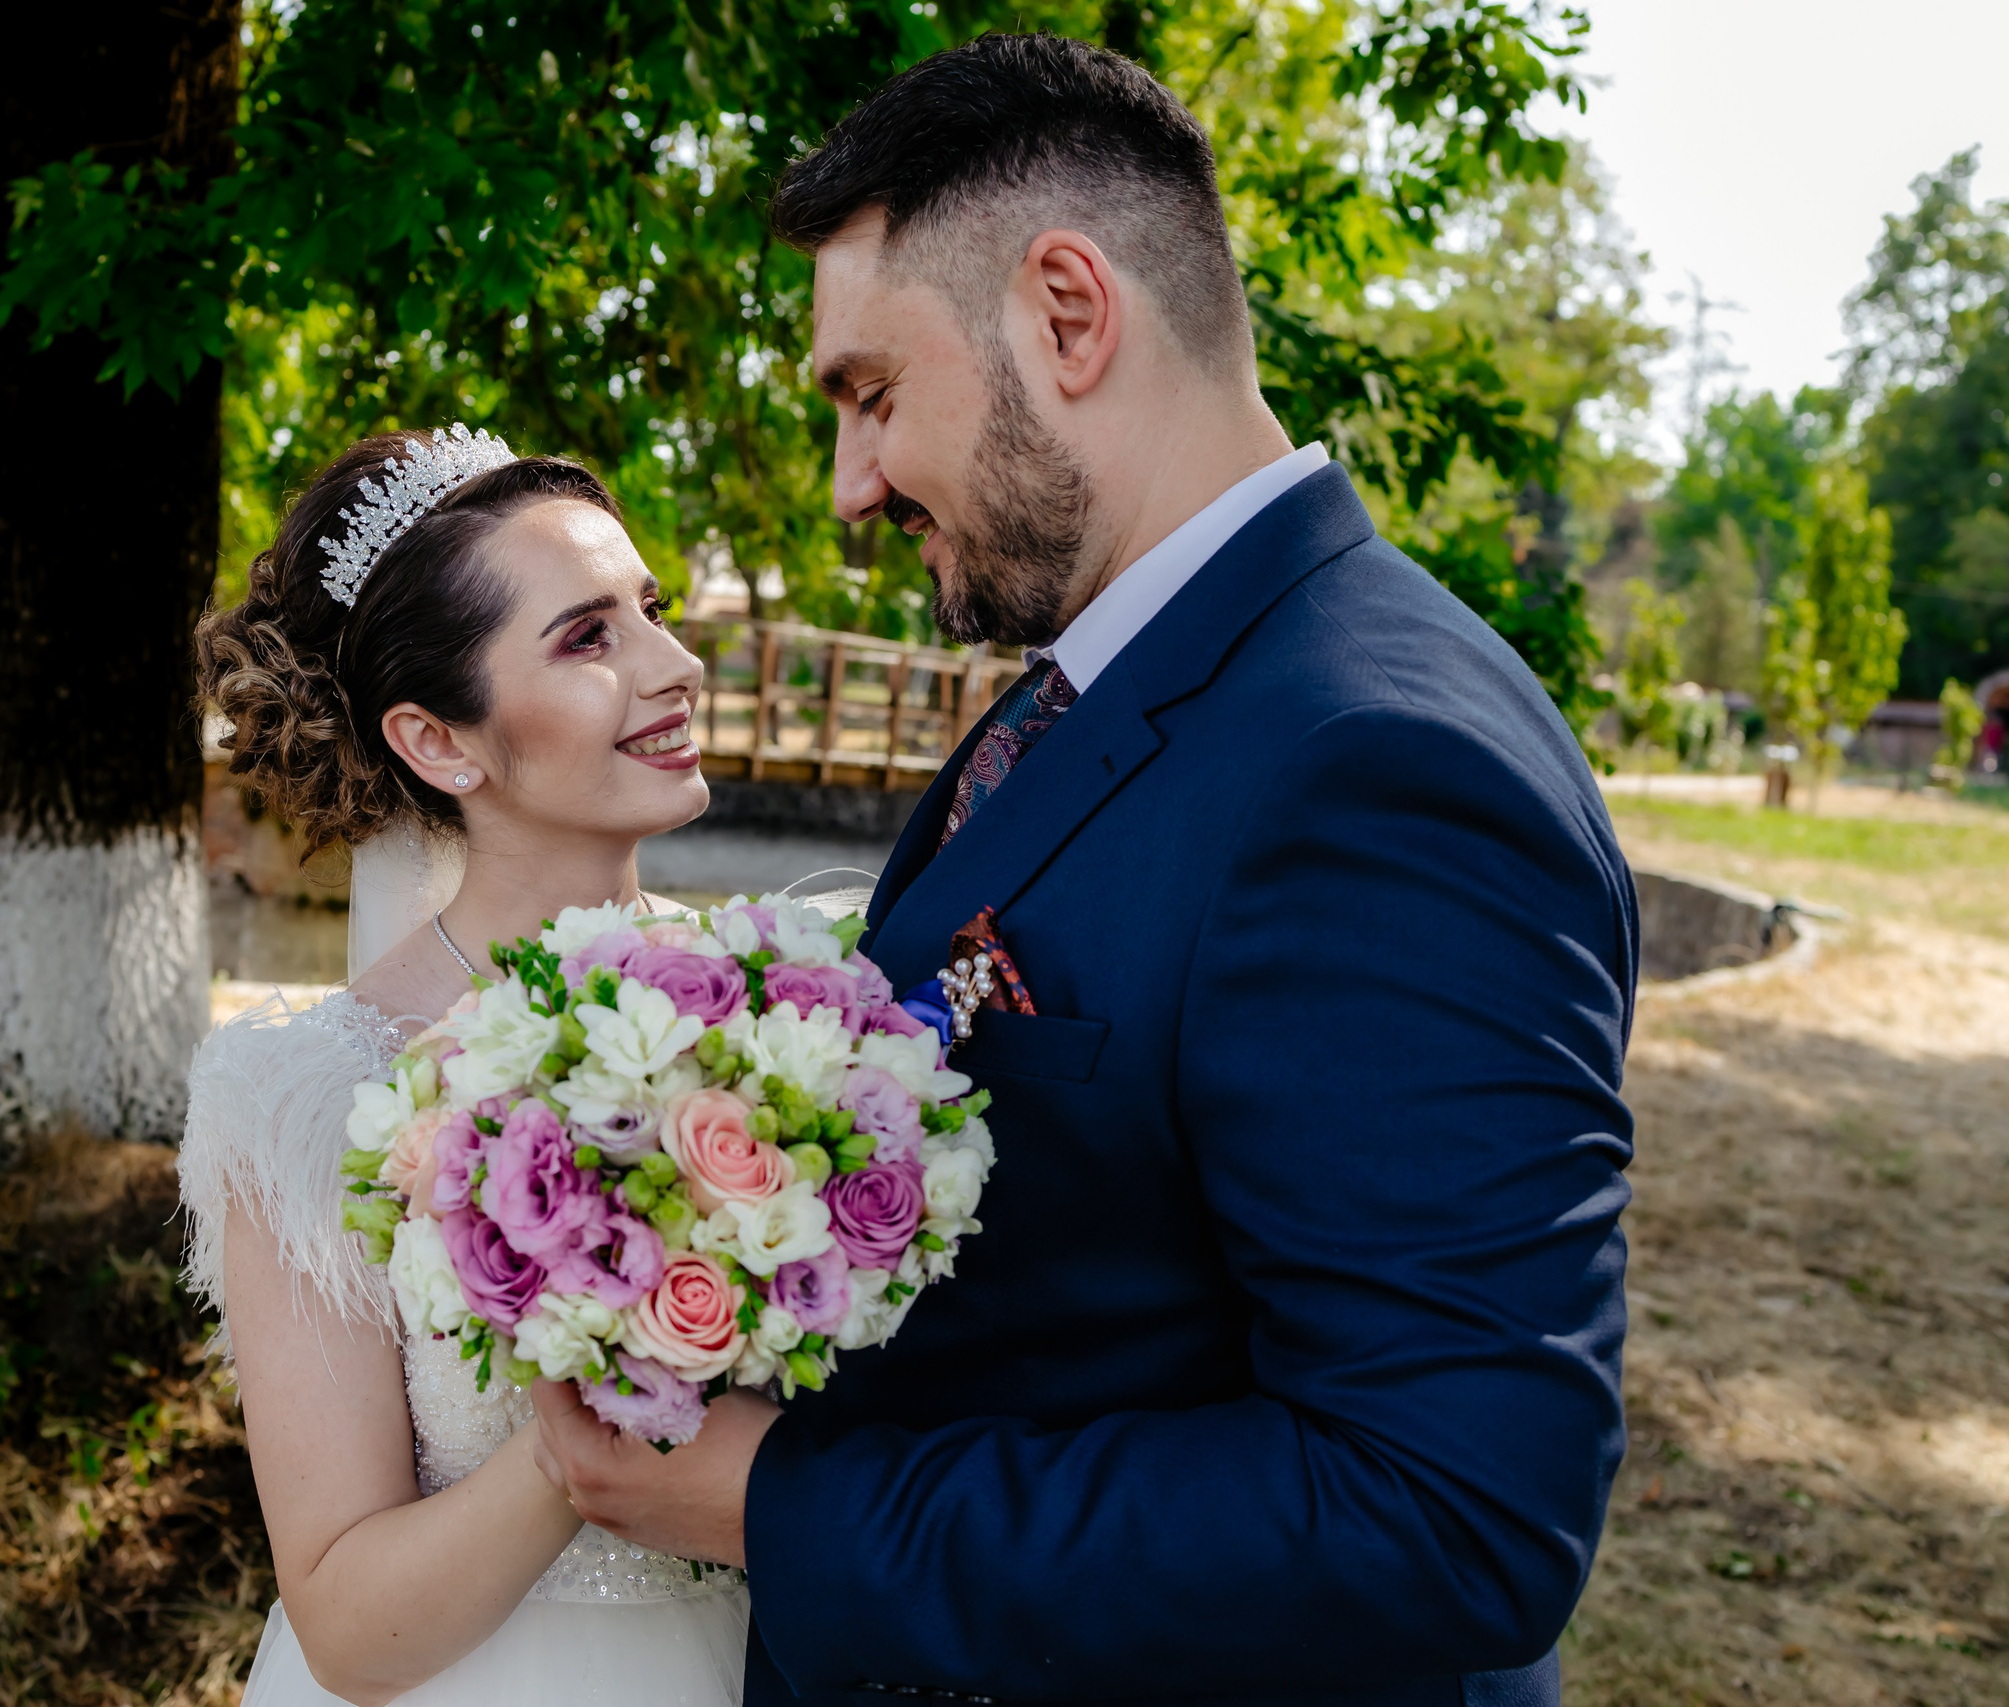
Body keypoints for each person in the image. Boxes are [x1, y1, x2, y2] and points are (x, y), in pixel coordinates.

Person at [527, 34, 1636, 1707]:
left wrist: (776, 1500)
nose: (850, 486)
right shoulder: (1104, 689)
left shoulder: (1374, 765)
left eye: (870, 394)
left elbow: (1446, 1511)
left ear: (1066, 310)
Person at [177, 427, 761, 1706]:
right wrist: (580, 1438)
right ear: (441, 743)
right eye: (587, 638)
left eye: (648, 613)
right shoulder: (312, 1098)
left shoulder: (792, 1023)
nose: (676, 666)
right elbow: (346, 1625)